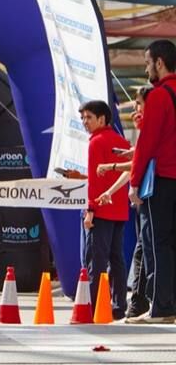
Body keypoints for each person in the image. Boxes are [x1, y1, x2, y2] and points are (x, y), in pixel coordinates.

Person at [127, 39, 176, 324]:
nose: (147, 69)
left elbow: (148, 143)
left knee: (156, 243)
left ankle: (161, 307)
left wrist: (134, 182)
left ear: (159, 62)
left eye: (147, 63)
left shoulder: (158, 95)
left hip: (161, 180)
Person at [96, 86, 152, 319]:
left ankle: (139, 301)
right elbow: (139, 162)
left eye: (139, 104)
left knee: (144, 249)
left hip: (152, 196)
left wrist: (112, 166)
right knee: (142, 248)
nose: (136, 110)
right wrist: (111, 189)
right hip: (145, 197)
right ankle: (140, 300)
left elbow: (141, 162)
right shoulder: (147, 129)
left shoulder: (156, 128)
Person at [75, 100, 131, 319]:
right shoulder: (121, 141)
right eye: (82, 118)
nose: (84, 122)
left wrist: (90, 210)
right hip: (118, 211)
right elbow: (112, 174)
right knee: (117, 259)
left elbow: (96, 184)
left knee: (94, 261)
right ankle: (118, 306)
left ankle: (95, 305)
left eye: (89, 117)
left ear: (102, 119)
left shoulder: (95, 142)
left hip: (100, 210)